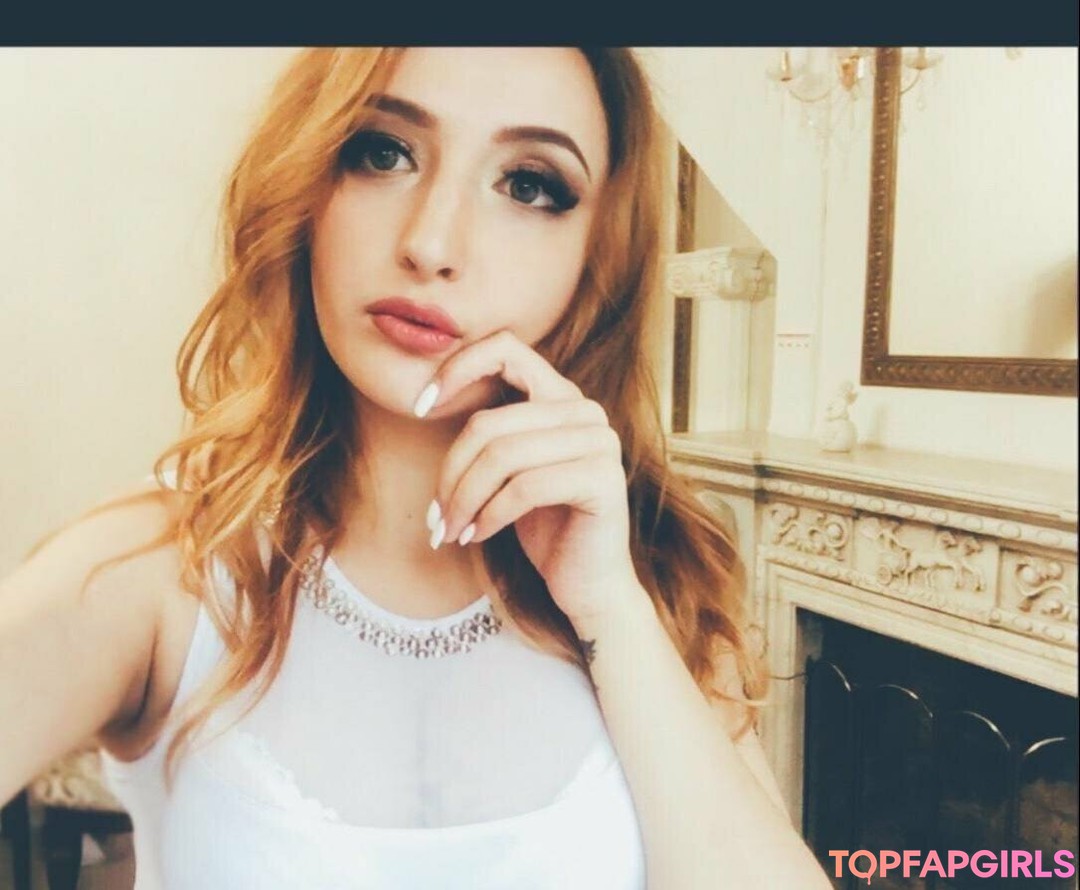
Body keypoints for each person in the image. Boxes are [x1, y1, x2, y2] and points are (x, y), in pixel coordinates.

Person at [0, 47, 832, 888]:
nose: (432, 244)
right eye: (383, 152)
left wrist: (611, 608)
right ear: (309, 184)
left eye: (528, 185)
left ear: (598, 258)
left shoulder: (658, 584)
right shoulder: (158, 572)